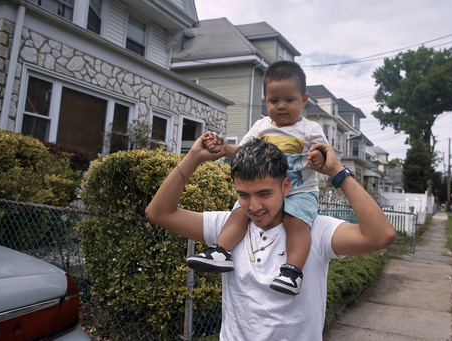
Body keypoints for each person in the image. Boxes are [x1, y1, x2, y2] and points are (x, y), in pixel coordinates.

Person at [145, 136, 396, 340]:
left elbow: (381, 236)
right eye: (243, 195)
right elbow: (159, 213)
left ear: (285, 186)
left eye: (264, 193)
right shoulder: (227, 227)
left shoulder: (314, 231)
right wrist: (193, 157)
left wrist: (338, 172)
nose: (254, 206)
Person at [186, 60, 328, 295]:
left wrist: (319, 161)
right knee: (239, 213)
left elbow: (324, 158)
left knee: (297, 223)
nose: (281, 106)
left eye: (289, 100)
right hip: (264, 191)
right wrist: (223, 148)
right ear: (265, 101)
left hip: (299, 190)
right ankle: (221, 250)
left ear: (303, 100)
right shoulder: (261, 126)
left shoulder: (310, 130)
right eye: (274, 101)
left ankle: (292, 272)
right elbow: (241, 152)